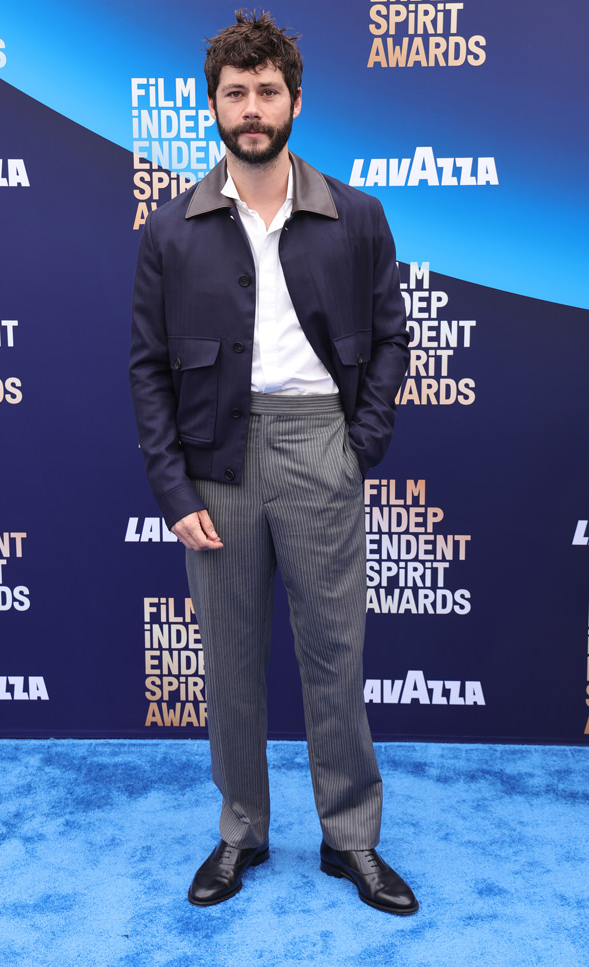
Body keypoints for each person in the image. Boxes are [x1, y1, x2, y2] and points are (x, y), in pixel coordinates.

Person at [129, 10, 417, 915]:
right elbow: (147, 368)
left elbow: (394, 339)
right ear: (213, 106)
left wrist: (358, 446)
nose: (251, 108)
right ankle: (241, 829)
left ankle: (351, 837)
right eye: (235, 93)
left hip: (320, 444)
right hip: (215, 460)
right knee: (229, 662)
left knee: (335, 654)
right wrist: (173, 486)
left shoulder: (356, 216)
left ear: (295, 101)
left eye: (266, 91)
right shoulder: (172, 230)